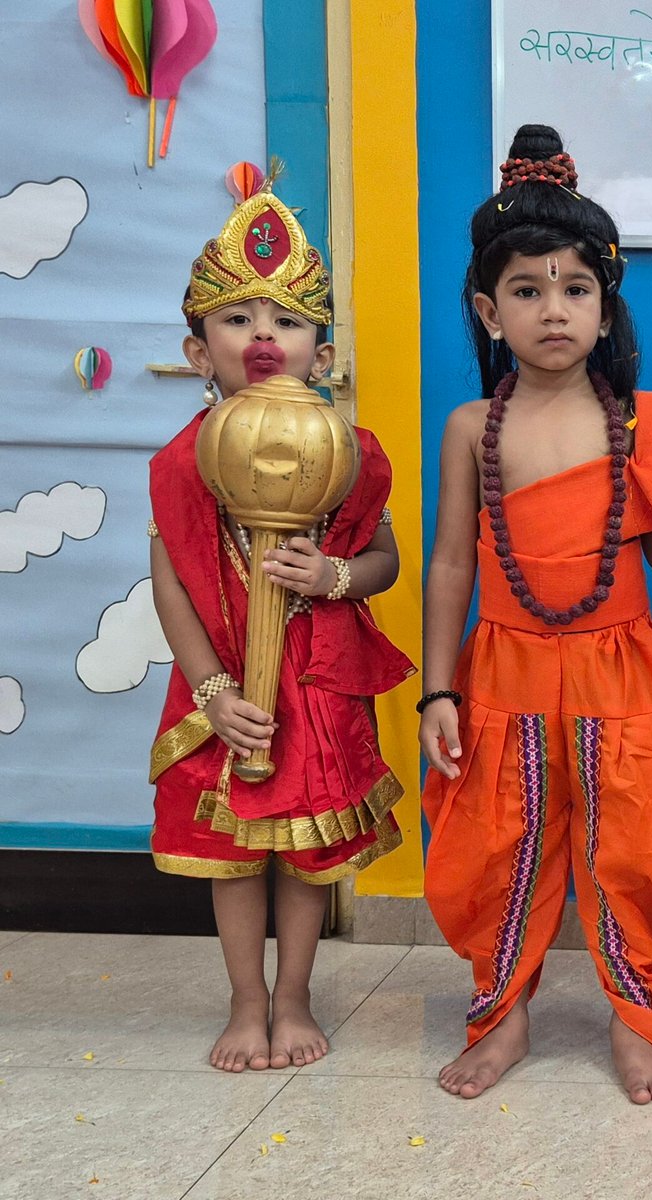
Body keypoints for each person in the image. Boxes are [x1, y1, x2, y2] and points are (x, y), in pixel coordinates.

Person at [420, 125, 652, 1105]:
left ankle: (634, 1015)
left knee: (632, 842)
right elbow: (450, 563)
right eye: (527, 291)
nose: (553, 309)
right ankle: (501, 1013)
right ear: (489, 311)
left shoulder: (640, 421)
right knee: (502, 840)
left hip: (621, 670)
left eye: (575, 289)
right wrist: (437, 690)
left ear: (605, 307)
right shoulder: (471, 428)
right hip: (504, 669)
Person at [148, 173, 413, 1073]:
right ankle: (245, 1001)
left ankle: (294, 996)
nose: (264, 337)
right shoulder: (179, 463)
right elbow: (172, 586)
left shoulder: (351, 453)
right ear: (198, 351)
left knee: (305, 850)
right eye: (238, 319)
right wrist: (212, 693)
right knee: (234, 851)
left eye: (288, 321)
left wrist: (336, 576)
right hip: (223, 684)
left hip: (315, 679)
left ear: (321, 352)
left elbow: (386, 561)